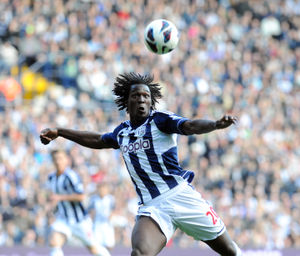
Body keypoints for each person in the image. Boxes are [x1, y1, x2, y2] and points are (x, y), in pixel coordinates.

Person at [40, 72, 242, 256]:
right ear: (127, 102)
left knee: (231, 252)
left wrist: (214, 125)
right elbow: (98, 140)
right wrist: (60, 132)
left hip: (182, 197)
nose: (142, 99)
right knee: (139, 253)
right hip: (153, 207)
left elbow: (189, 126)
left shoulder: (160, 121)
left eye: (146, 96)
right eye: (136, 96)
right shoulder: (122, 132)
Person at [45, 149, 111, 256]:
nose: (58, 161)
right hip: (64, 219)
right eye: (55, 159)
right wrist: (50, 209)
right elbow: (53, 198)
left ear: (66, 160)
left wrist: (60, 197)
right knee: (54, 241)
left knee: (94, 249)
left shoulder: (71, 176)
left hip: (80, 221)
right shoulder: (51, 178)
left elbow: (81, 196)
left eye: (60, 158)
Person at [89, 182, 116, 251]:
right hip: (97, 224)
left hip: (107, 224)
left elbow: (113, 210)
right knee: (97, 246)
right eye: (100, 189)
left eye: (104, 189)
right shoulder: (93, 199)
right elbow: (91, 211)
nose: (102, 191)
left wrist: (110, 220)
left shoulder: (110, 199)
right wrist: (91, 223)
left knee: (109, 245)